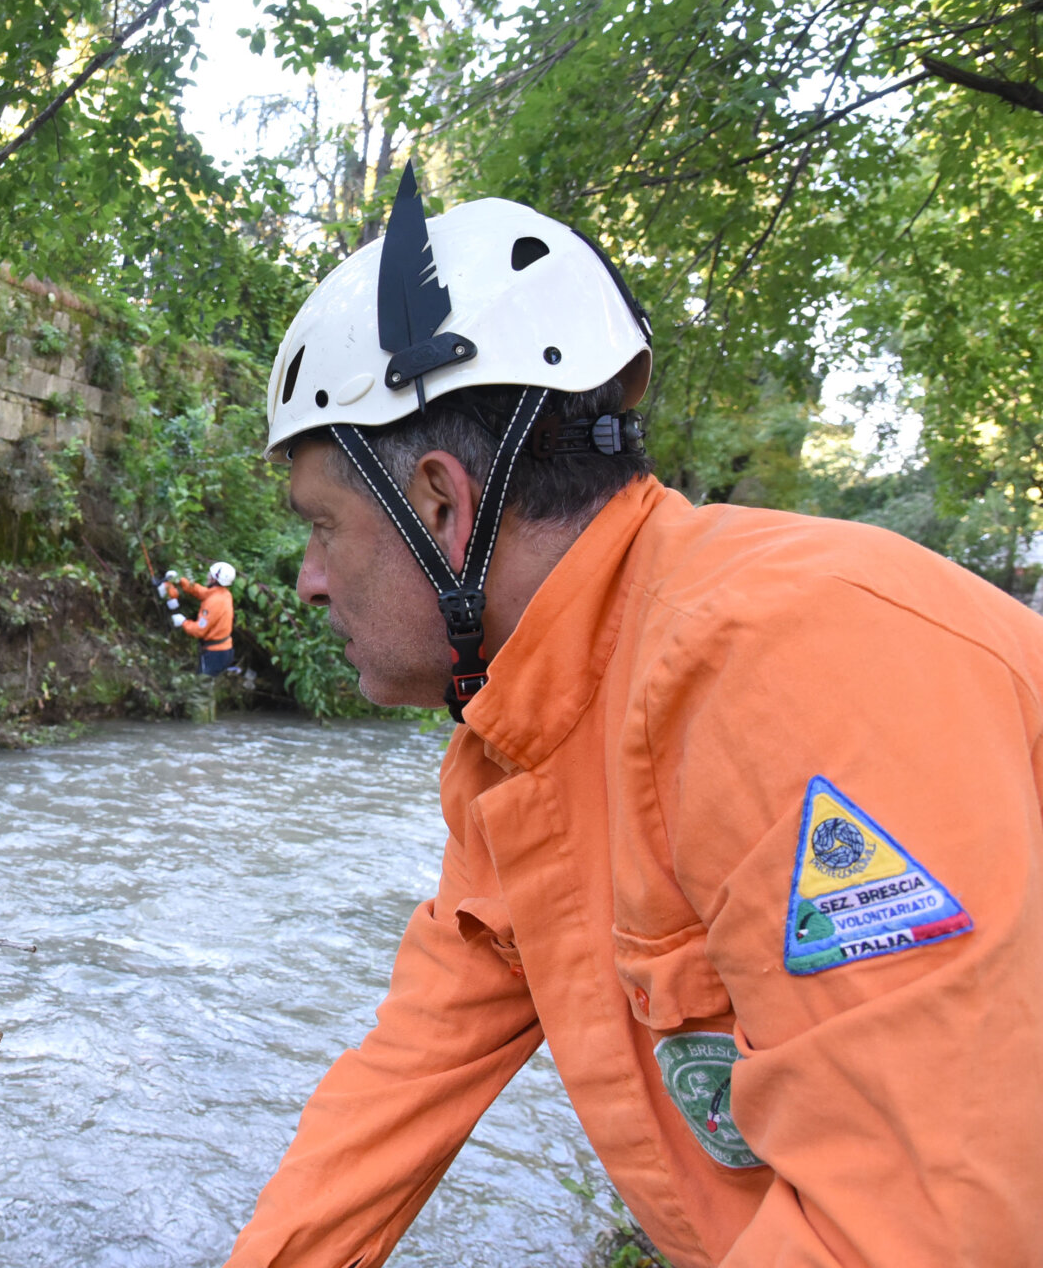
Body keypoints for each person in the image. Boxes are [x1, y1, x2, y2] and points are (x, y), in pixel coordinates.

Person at [225, 163, 1043, 1266]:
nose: (310, 579)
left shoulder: (784, 657)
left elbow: (928, 1228)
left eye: (322, 525)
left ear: (439, 505)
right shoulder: (523, 743)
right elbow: (398, 1088)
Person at [161, 561, 238, 674]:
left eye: (210, 574)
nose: (207, 575)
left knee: (202, 687)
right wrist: (181, 581)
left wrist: (183, 622)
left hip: (215, 654)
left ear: (215, 579)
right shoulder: (223, 594)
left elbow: (199, 630)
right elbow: (202, 592)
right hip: (224, 650)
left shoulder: (213, 602)